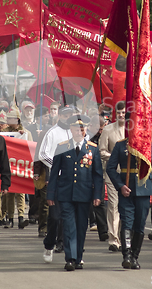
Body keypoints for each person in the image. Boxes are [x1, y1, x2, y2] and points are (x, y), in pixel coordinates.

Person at [47, 114, 104, 271]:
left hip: (84, 194)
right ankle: (70, 258)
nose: (79, 131)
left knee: (81, 226)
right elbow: (54, 172)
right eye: (76, 128)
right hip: (66, 194)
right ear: (71, 130)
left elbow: (98, 175)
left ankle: (78, 257)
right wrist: (51, 194)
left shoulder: (92, 148)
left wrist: (98, 195)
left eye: (82, 128)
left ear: (86, 130)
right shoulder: (62, 146)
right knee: (69, 226)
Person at [106, 125, 152, 270]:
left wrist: (142, 147)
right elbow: (110, 167)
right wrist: (120, 185)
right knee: (127, 223)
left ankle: (135, 255)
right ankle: (127, 255)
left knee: (140, 225)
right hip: (126, 190)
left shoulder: (149, 144)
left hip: (143, 189)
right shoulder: (120, 145)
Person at [39, 105, 73, 260]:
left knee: (69, 216)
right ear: (60, 116)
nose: (68, 118)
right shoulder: (52, 132)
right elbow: (42, 154)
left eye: (71, 115)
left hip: (73, 180)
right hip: (57, 178)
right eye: (65, 115)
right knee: (54, 216)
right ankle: (49, 244)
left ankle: (65, 245)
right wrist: (58, 164)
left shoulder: (77, 133)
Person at [98, 101, 126, 252]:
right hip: (113, 172)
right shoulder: (108, 130)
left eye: (124, 112)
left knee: (126, 206)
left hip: (129, 174)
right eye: (119, 112)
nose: (122, 115)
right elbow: (101, 151)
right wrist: (115, 157)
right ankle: (114, 239)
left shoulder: (132, 129)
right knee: (113, 205)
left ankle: (124, 236)